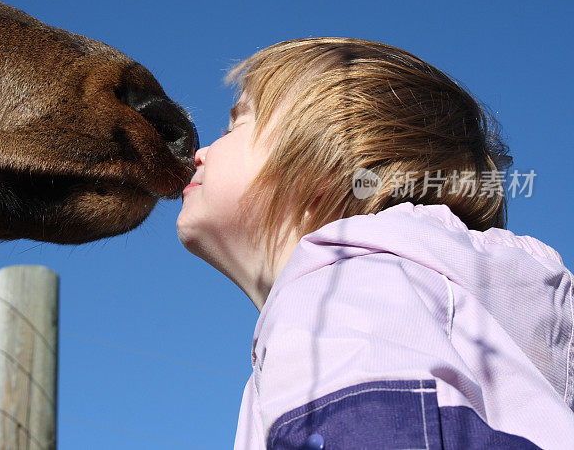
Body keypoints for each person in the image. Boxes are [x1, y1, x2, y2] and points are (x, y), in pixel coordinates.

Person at [177, 37, 574, 449]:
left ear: (324, 165)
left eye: (236, 124)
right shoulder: (399, 295)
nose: (201, 152)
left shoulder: (342, 294)